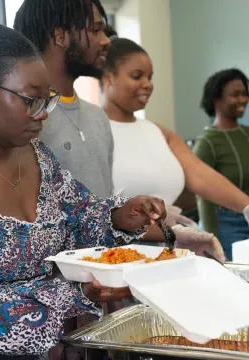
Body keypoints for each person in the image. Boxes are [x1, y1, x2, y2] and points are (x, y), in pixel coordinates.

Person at [0, 25, 167, 359]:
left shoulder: (34, 156)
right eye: (30, 100)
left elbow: (77, 217)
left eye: (46, 99)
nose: (42, 114)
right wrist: (76, 293)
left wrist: (121, 216)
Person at [99, 37, 249, 261]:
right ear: (108, 77)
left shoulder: (160, 132)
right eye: (136, 76)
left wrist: (246, 205)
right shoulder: (93, 130)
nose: (147, 84)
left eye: (150, 77)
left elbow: (200, 176)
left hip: (172, 249)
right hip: (122, 257)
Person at [14, 0, 113, 198]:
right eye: (95, 30)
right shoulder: (26, 119)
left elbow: (106, 206)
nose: (106, 41)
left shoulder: (98, 117)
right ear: (60, 37)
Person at [193, 69, 249, 260]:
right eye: (235, 95)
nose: (242, 99)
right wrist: (210, 238)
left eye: (244, 94)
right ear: (216, 99)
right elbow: (203, 195)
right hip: (227, 226)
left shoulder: (247, 133)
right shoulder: (207, 142)